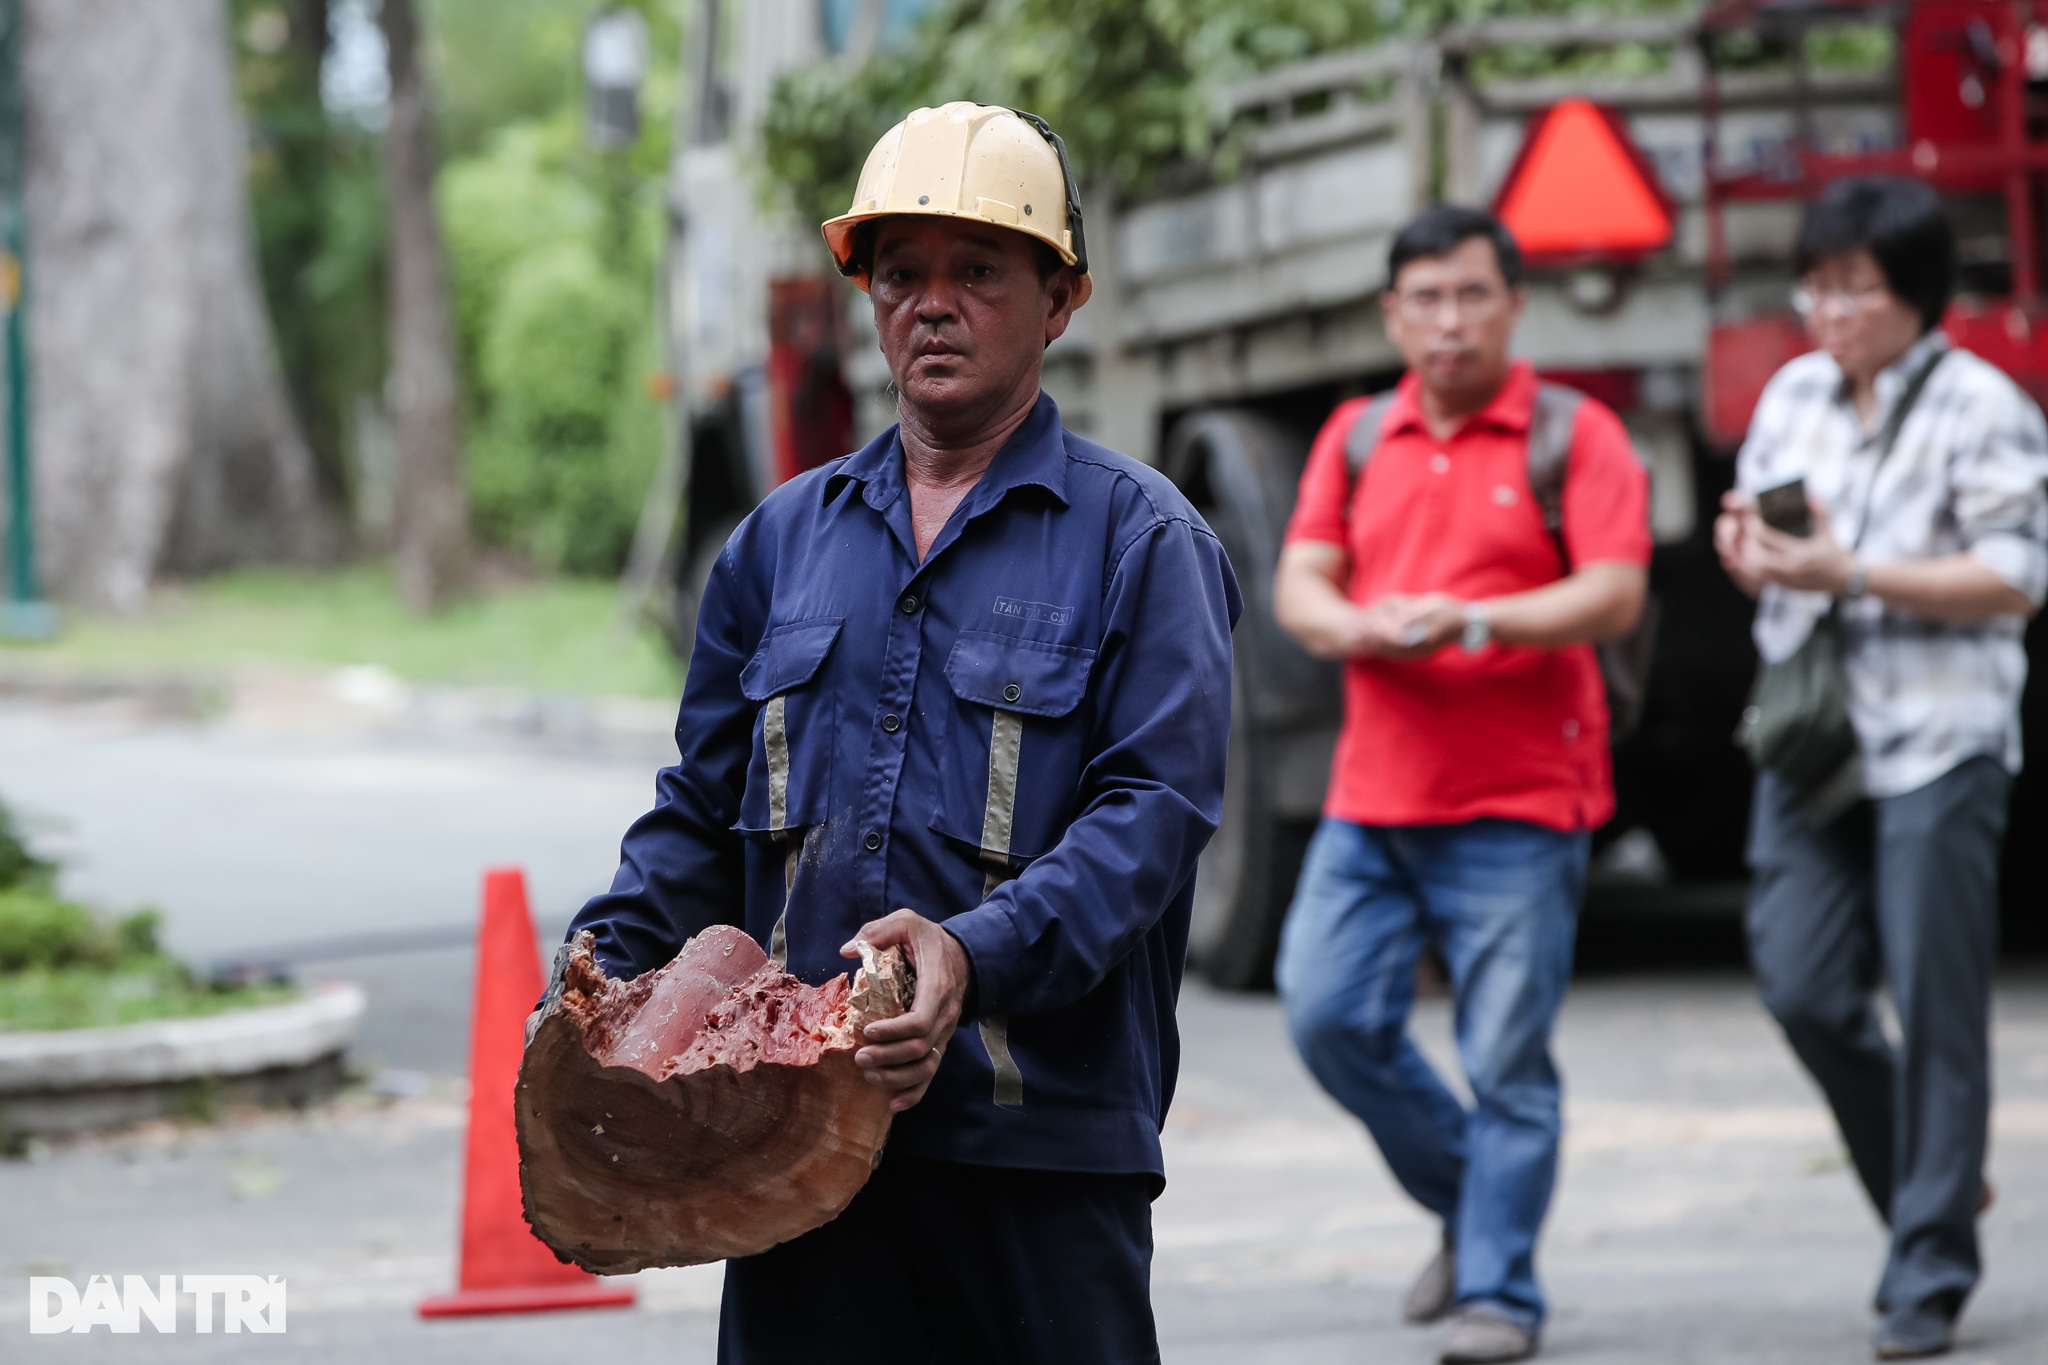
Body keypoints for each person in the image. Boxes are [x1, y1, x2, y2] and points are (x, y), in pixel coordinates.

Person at [559, 102, 1238, 1364]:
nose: (931, 305)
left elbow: (1153, 815)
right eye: (899, 274)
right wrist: (598, 974)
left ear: (1059, 299)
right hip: (788, 1153)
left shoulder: (1141, 542)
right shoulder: (776, 545)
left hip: (1035, 1152)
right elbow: (698, 815)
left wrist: (968, 954)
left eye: (977, 271)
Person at [1271, 205, 1651, 1365]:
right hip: (1372, 798)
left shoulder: (1573, 435)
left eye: (1470, 295)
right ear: (1391, 315)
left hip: (1522, 803)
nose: (1448, 321)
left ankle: (1500, 1293)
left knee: (1505, 1061)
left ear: (1512, 304)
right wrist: (1355, 627)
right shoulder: (1352, 435)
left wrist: (1471, 619)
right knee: (1326, 1014)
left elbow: (1612, 592)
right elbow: (1299, 584)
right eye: (1424, 299)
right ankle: (1471, 1200)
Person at [1714, 176, 2048, 1361]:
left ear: (1913, 294)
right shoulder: (1794, 392)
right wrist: (1748, 550)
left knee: (1936, 999)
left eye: (1854, 288)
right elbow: (1760, 532)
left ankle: (1926, 1269)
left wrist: (1852, 574)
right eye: (1816, 285)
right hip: (1814, 734)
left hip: (1940, 735)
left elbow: (2015, 575)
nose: (1829, 311)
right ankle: (1938, 1179)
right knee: (1798, 984)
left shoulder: (1982, 406)